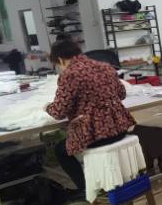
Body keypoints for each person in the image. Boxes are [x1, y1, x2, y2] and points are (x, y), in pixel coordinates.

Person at [46, 40, 135, 194]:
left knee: (60, 150)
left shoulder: (70, 74)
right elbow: (122, 94)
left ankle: (87, 190)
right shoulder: (105, 66)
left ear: (60, 59)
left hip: (97, 134)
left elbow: (59, 112)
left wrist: (47, 107)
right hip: (120, 127)